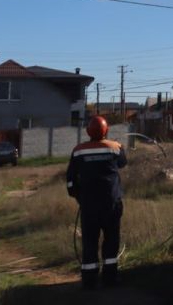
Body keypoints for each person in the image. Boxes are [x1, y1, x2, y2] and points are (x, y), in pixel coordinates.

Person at [66, 116, 127, 289]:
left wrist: (76, 195)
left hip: (88, 205)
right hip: (111, 203)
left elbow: (70, 180)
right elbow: (123, 163)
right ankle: (110, 278)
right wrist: (116, 144)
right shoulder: (115, 148)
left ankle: (89, 280)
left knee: (90, 241)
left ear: (88, 131)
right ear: (106, 130)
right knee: (111, 240)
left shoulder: (78, 151)